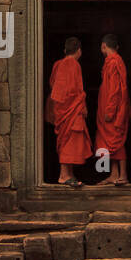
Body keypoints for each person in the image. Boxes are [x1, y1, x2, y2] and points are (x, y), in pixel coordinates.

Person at [48, 36, 91, 187]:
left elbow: (53, 85)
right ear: (79, 51)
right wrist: (82, 105)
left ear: (65, 50)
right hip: (72, 109)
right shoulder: (73, 64)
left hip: (63, 109)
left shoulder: (58, 64)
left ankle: (69, 174)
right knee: (71, 140)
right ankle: (64, 175)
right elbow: (76, 89)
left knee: (67, 139)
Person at [94, 33, 131, 186]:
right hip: (108, 110)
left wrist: (110, 111)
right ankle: (113, 174)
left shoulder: (114, 62)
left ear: (104, 46)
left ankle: (123, 175)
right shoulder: (111, 61)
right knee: (106, 141)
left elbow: (116, 89)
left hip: (114, 111)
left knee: (116, 141)